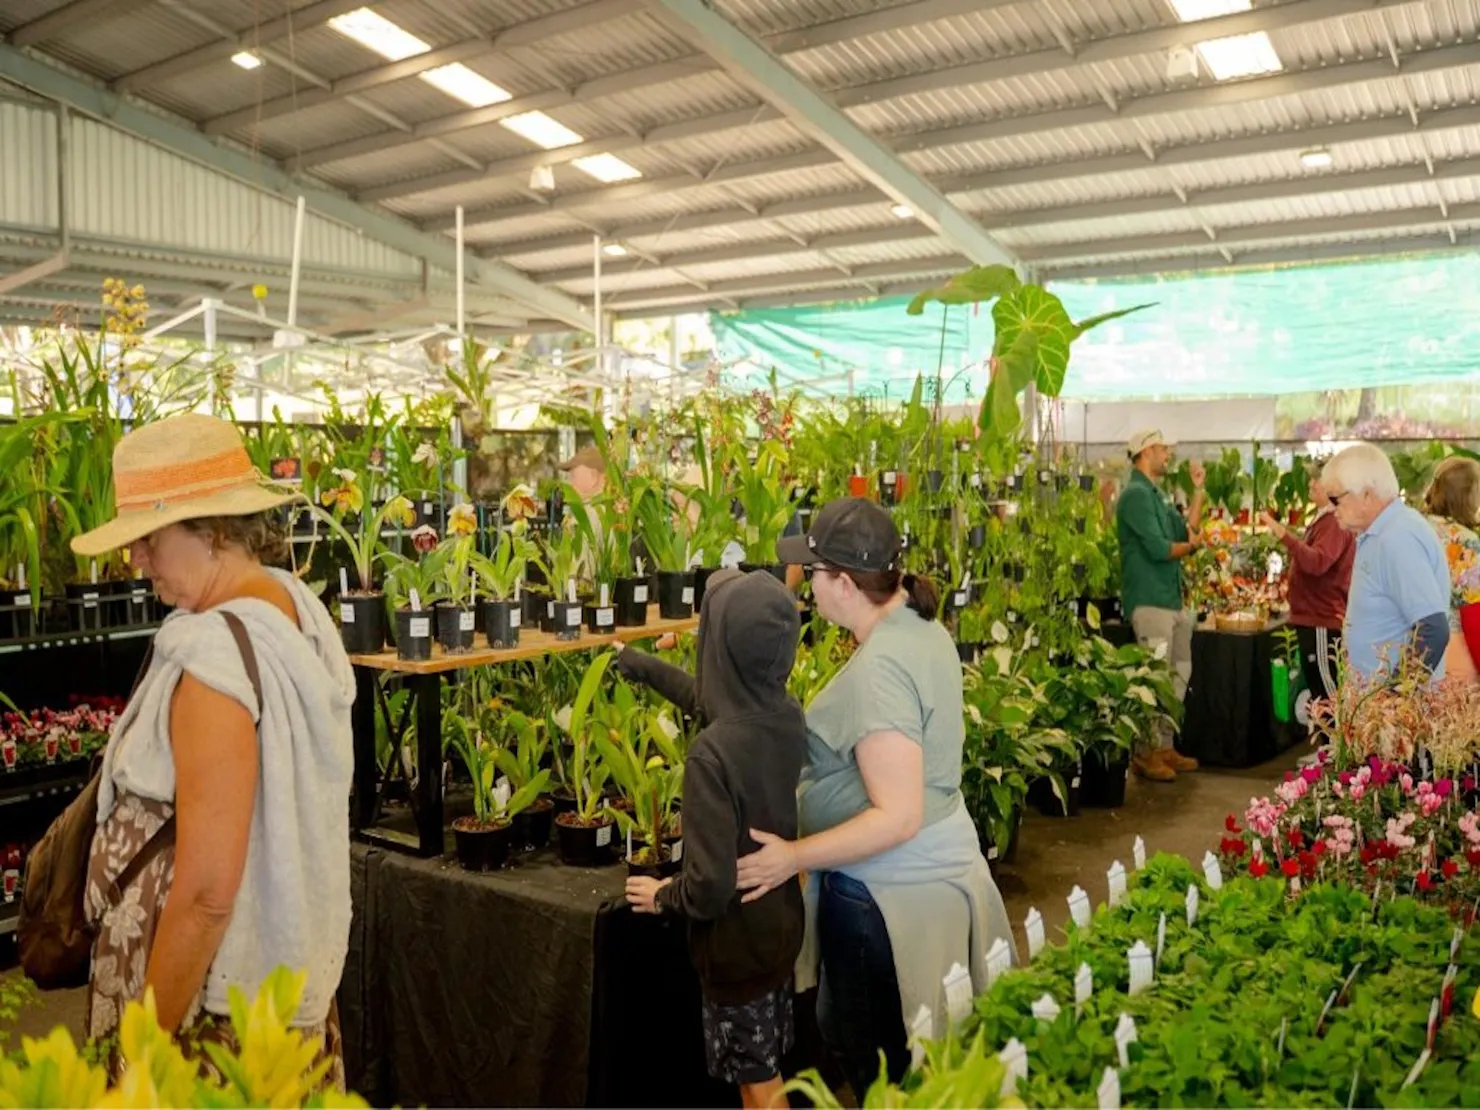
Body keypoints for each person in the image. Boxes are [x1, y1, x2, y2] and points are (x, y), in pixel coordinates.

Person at [72, 414, 354, 1081]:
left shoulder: (216, 661)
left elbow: (205, 896)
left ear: (214, 531)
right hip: (272, 989)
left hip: (208, 1011)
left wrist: (141, 1054)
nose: (135, 560)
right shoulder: (292, 607)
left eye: (148, 538)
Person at [735, 498, 1015, 1096]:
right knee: (910, 1061)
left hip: (885, 899)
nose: (805, 581)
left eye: (813, 571)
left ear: (844, 583)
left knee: (879, 1071)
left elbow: (898, 816)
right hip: (930, 878)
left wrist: (792, 856)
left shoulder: (882, 669)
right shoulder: (919, 626)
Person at [619, 570, 806, 1110]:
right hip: (777, 931)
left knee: (759, 1083)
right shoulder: (785, 715)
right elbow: (713, 701)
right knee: (766, 1069)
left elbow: (708, 885)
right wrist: (643, 666)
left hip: (734, 950)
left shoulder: (710, 756)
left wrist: (662, 896)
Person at [1115, 430, 1204, 782]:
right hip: (1150, 600)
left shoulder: (1155, 493)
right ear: (1147, 451)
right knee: (1154, 678)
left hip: (1170, 599)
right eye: (1163, 449)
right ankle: (1145, 751)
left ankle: (1164, 745)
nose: (1168, 455)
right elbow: (1159, 549)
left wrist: (1198, 490)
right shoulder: (1135, 495)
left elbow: (1185, 531)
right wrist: (1192, 547)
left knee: (1179, 672)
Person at [1322, 443, 1449, 680]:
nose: (1330, 508)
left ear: (1367, 495)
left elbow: (1433, 630)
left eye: (1335, 499)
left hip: (1392, 702)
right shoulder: (1380, 532)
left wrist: (1396, 694)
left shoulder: (1397, 537)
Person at [1257, 468, 1355, 725]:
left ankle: (1336, 745)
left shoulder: (1333, 522)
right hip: (1313, 618)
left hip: (1321, 618)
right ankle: (1328, 743)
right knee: (1320, 690)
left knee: (1327, 692)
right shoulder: (1324, 520)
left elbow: (1317, 562)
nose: (1310, 484)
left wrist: (1283, 534)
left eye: (1317, 480)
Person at [1421, 456, 1480, 682]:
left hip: (1408, 644)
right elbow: (1473, 609)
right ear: (1468, 495)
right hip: (1452, 647)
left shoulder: (1415, 527)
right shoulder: (1464, 540)